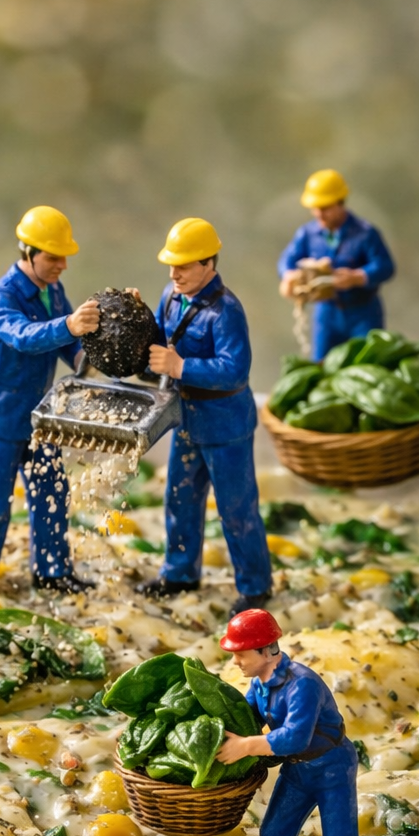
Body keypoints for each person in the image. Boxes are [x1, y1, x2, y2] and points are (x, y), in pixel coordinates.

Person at [0, 206, 100, 603]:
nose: (62, 265)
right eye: (54, 257)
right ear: (28, 252)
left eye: (64, 257)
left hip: (41, 417)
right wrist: (69, 326)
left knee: (52, 491)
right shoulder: (0, 297)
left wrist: (92, 353)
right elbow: (24, 336)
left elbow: (68, 344)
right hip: (2, 417)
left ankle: (52, 572)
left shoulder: (52, 291)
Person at [139, 217, 271, 618]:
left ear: (208, 264)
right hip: (187, 420)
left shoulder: (226, 311)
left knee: (237, 508)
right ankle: (180, 571)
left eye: (183, 265)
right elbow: (158, 342)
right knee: (179, 498)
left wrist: (180, 367)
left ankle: (254, 586)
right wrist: (136, 316)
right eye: (171, 264)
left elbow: (234, 370)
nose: (173, 272)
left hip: (225, 423)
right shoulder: (170, 295)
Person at [216, 608, 371, 836]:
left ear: (266, 652)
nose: (235, 661)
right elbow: (247, 718)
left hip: (331, 767)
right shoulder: (259, 683)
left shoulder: (303, 685)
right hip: (297, 769)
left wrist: (246, 747)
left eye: (241, 653)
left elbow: (295, 737)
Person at [277, 170, 395, 361]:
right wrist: (288, 275)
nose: (319, 214)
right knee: (322, 362)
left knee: (367, 362)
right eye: (315, 208)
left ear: (340, 203)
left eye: (325, 208)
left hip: (362, 309)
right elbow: (287, 259)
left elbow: (385, 266)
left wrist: (358, 277)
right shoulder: (308, 234)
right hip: (327, 310)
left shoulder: (365, 233)